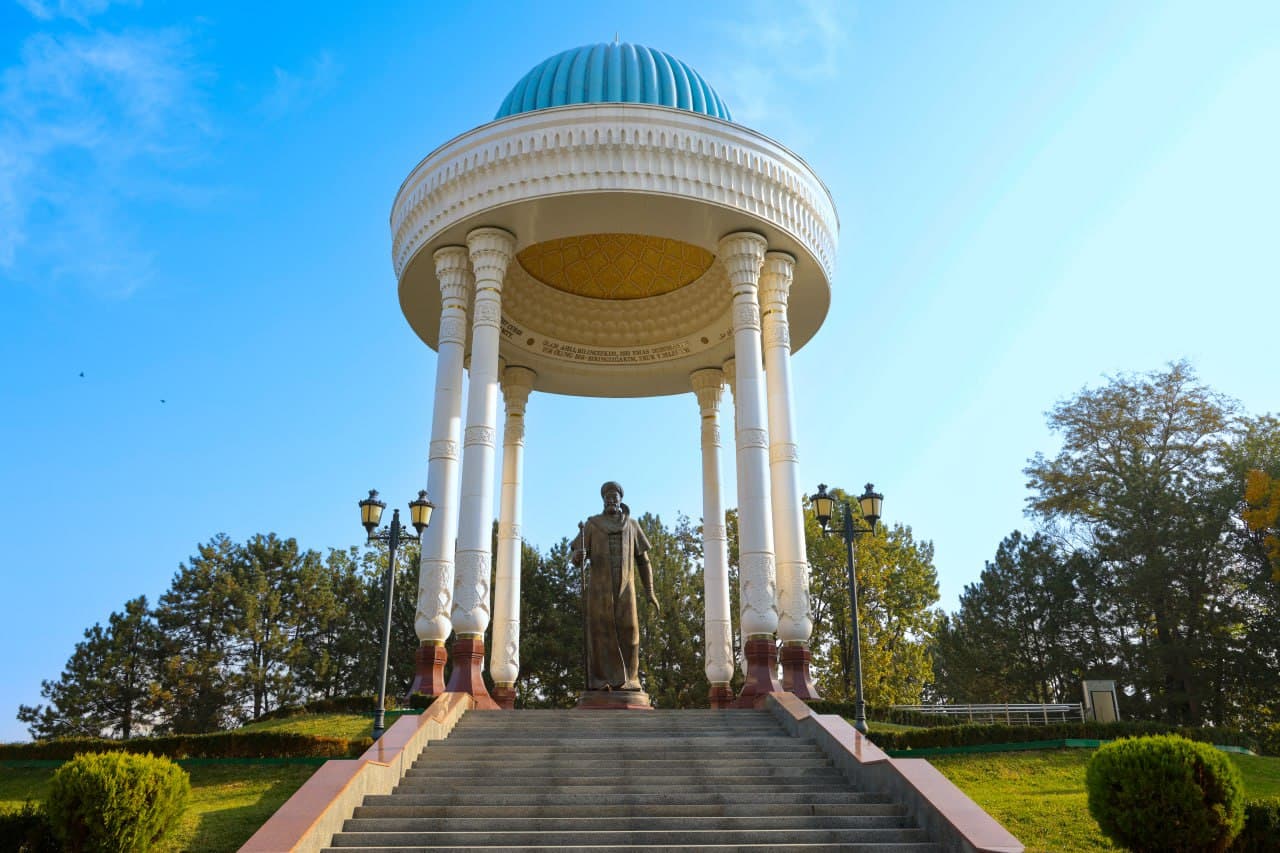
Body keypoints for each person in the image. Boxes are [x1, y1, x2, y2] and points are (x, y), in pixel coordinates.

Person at [571, 481, 660, 691]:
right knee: (600, 634)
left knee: (630, 633)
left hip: (625, 589)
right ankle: (600, 681)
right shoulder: (593, 524)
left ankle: (630, 679)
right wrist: (578, 556)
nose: (611, 500)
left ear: (621, 499)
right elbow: (575, 556)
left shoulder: (632, 525)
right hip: (599, 590)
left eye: (614, 496)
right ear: (603, 500)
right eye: (607, 497)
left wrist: (650, 591)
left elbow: (643, 560)